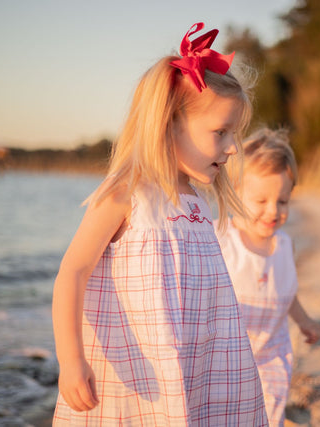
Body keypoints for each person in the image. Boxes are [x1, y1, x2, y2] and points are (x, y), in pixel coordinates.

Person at [51, 22, 268, 426]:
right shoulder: (126, 193)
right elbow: (73, 272)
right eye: (220, 132)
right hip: (139, 377)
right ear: (169, 123)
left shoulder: (198, 203)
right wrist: (71, 358)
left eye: (234, 133)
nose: (233, 147)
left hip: (202, 371)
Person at [217, 128, 320, 426]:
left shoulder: (285, 245)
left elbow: (285, 292)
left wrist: (305, 322)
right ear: (233, 193)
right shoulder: (221, 240)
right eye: (260, 201)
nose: (273, 211)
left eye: (283, 201)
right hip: (227, 355)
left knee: (269, 414)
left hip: (272, 354)